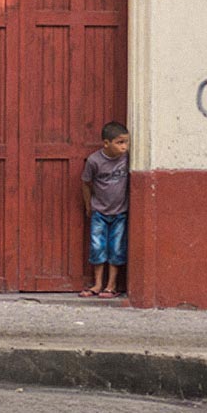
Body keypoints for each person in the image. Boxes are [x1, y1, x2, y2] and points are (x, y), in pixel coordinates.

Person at [79, 121, 129, 298]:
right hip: (99, 212)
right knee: (97, 246)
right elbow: (86, 183)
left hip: (120, 212)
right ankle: (98, 283)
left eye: (126, 142)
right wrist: (88, 205)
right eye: (120, 142)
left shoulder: (128, 159)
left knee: (116, 248)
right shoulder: (95, 161)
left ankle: (111, 285)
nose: (124, 147)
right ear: (106, 143)